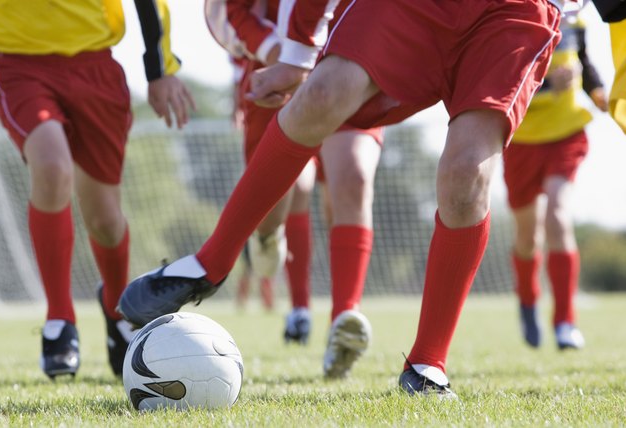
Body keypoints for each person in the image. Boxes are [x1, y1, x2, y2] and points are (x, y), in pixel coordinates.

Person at [119, 0, 562, 397]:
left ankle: (425, 362)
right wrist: (291, 54)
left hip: (513, 10)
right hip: (325, 41)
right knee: (323, 97)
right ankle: (210, 263)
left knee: (463, 177)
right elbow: (227, 13)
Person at [0, 0, 196, 379]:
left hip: (96, 66)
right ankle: (60, 321)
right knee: (53, 168)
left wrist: (159, 70)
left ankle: (117, 310)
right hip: (17, 62)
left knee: (105, 219)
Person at [206, 0, 384, 377]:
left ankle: (342, 324)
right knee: (294, 186)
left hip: (351, 62)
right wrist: (282, 54)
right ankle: (271, 242)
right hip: (276, 73)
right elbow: (229, 13)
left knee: (352, 177)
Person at [503, 7, 606, 351]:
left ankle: (565, 322)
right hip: (520, 140)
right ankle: (528, 300)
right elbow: (505, 81)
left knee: (558, 218)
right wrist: (548, 84)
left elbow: (584, 63)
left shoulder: (574, 16)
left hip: (567, 132)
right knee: (527, 235)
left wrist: (599, 92)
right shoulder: (511, 15)